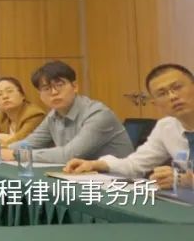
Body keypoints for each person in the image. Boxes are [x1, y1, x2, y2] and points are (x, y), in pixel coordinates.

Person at [64, 63, 194, 189]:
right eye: (162, 94)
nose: (173, 96)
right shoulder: (166, 127)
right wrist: (95, 164)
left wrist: (188, 180)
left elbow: (186, 180)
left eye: (177, 87)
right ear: (155, 103)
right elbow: (135, 165)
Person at [0, 61, 133, 163]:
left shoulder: (98, 114)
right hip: (84, 178)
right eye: (46, 88)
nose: (54, 92)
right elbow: (31, 143)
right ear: (40, 95)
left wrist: (15, 154)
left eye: (59, 85)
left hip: (119, 183)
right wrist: (2, 150)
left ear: (75, 86)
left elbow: (69, 155)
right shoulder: (53, 115)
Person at [0, 76, 46, 149]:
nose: (5, 96)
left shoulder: (34, 115)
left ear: (22, 95)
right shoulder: (1, 116)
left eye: (10, 91)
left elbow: (20, 143)